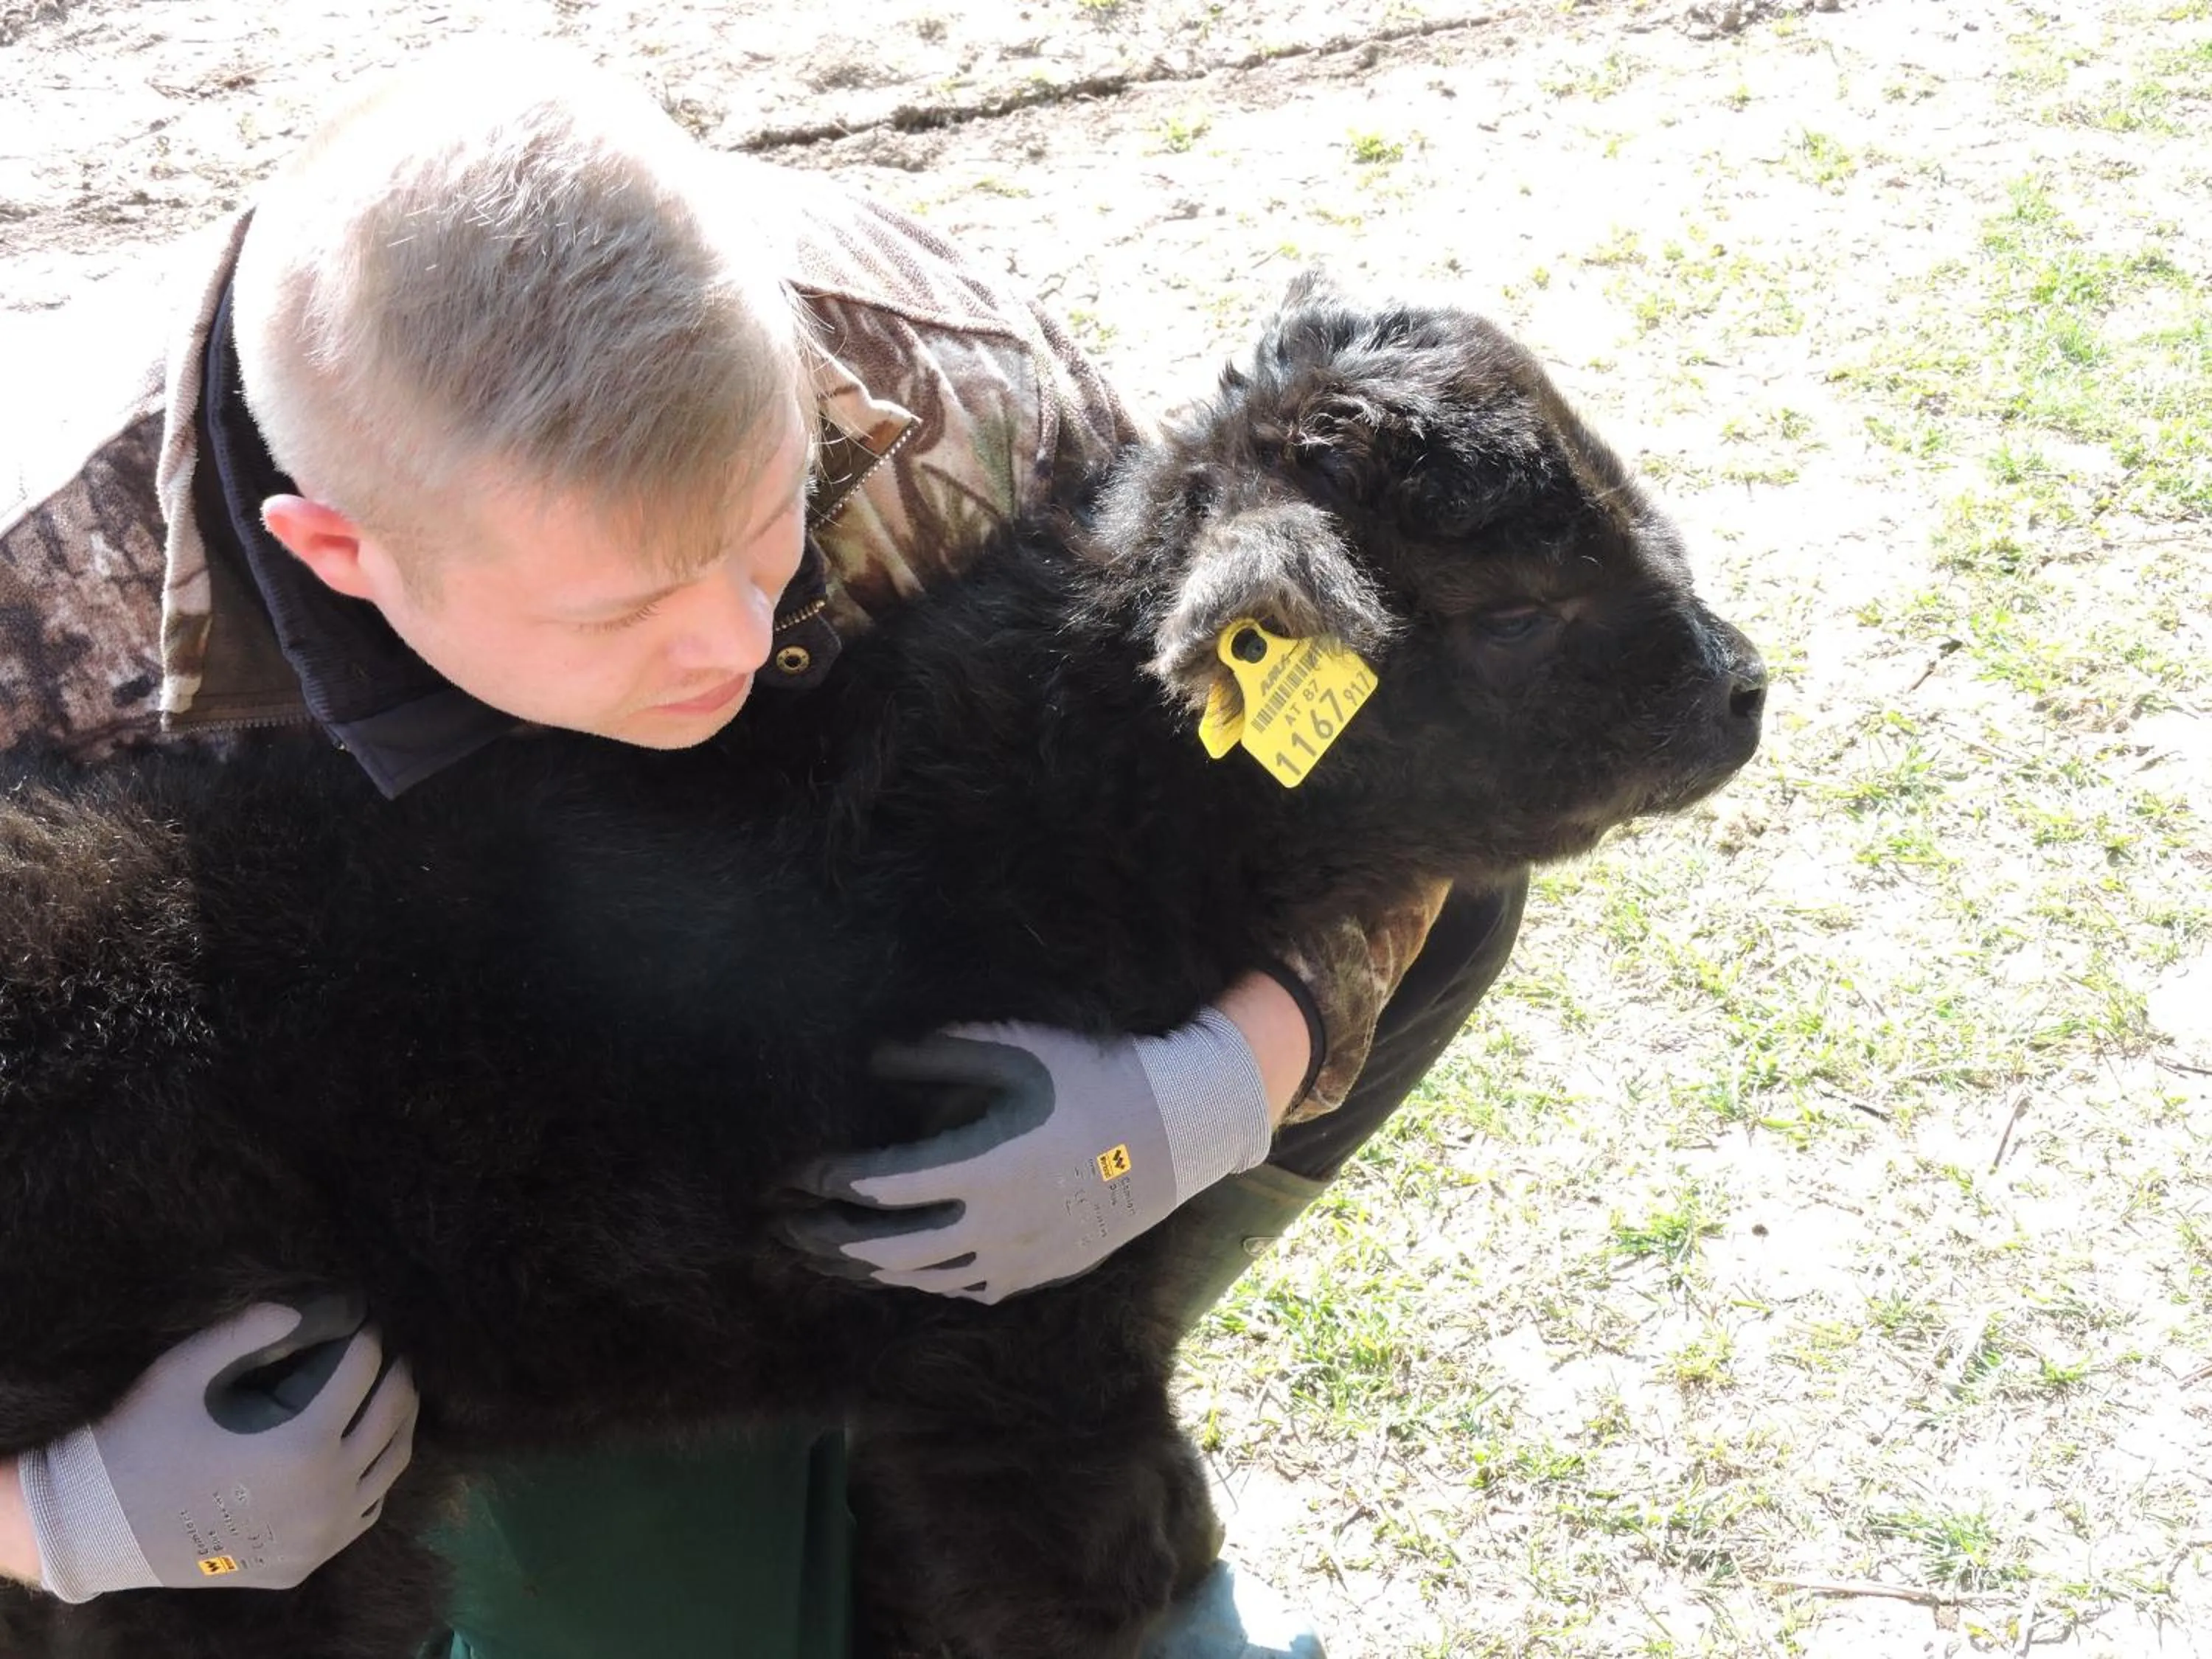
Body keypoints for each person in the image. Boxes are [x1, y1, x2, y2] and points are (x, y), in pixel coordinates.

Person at [0, 41, 1526, 1659]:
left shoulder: (939, 376)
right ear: (339, 553)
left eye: (768, 528)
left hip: (822, 1046)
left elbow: (1331, 745)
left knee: (1456, 894)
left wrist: (1207, 1087)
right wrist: (59, 1520)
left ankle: (950, 1429)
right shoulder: (40, 598)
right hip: (353, 1196)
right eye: (622, 609)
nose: (729, 638)